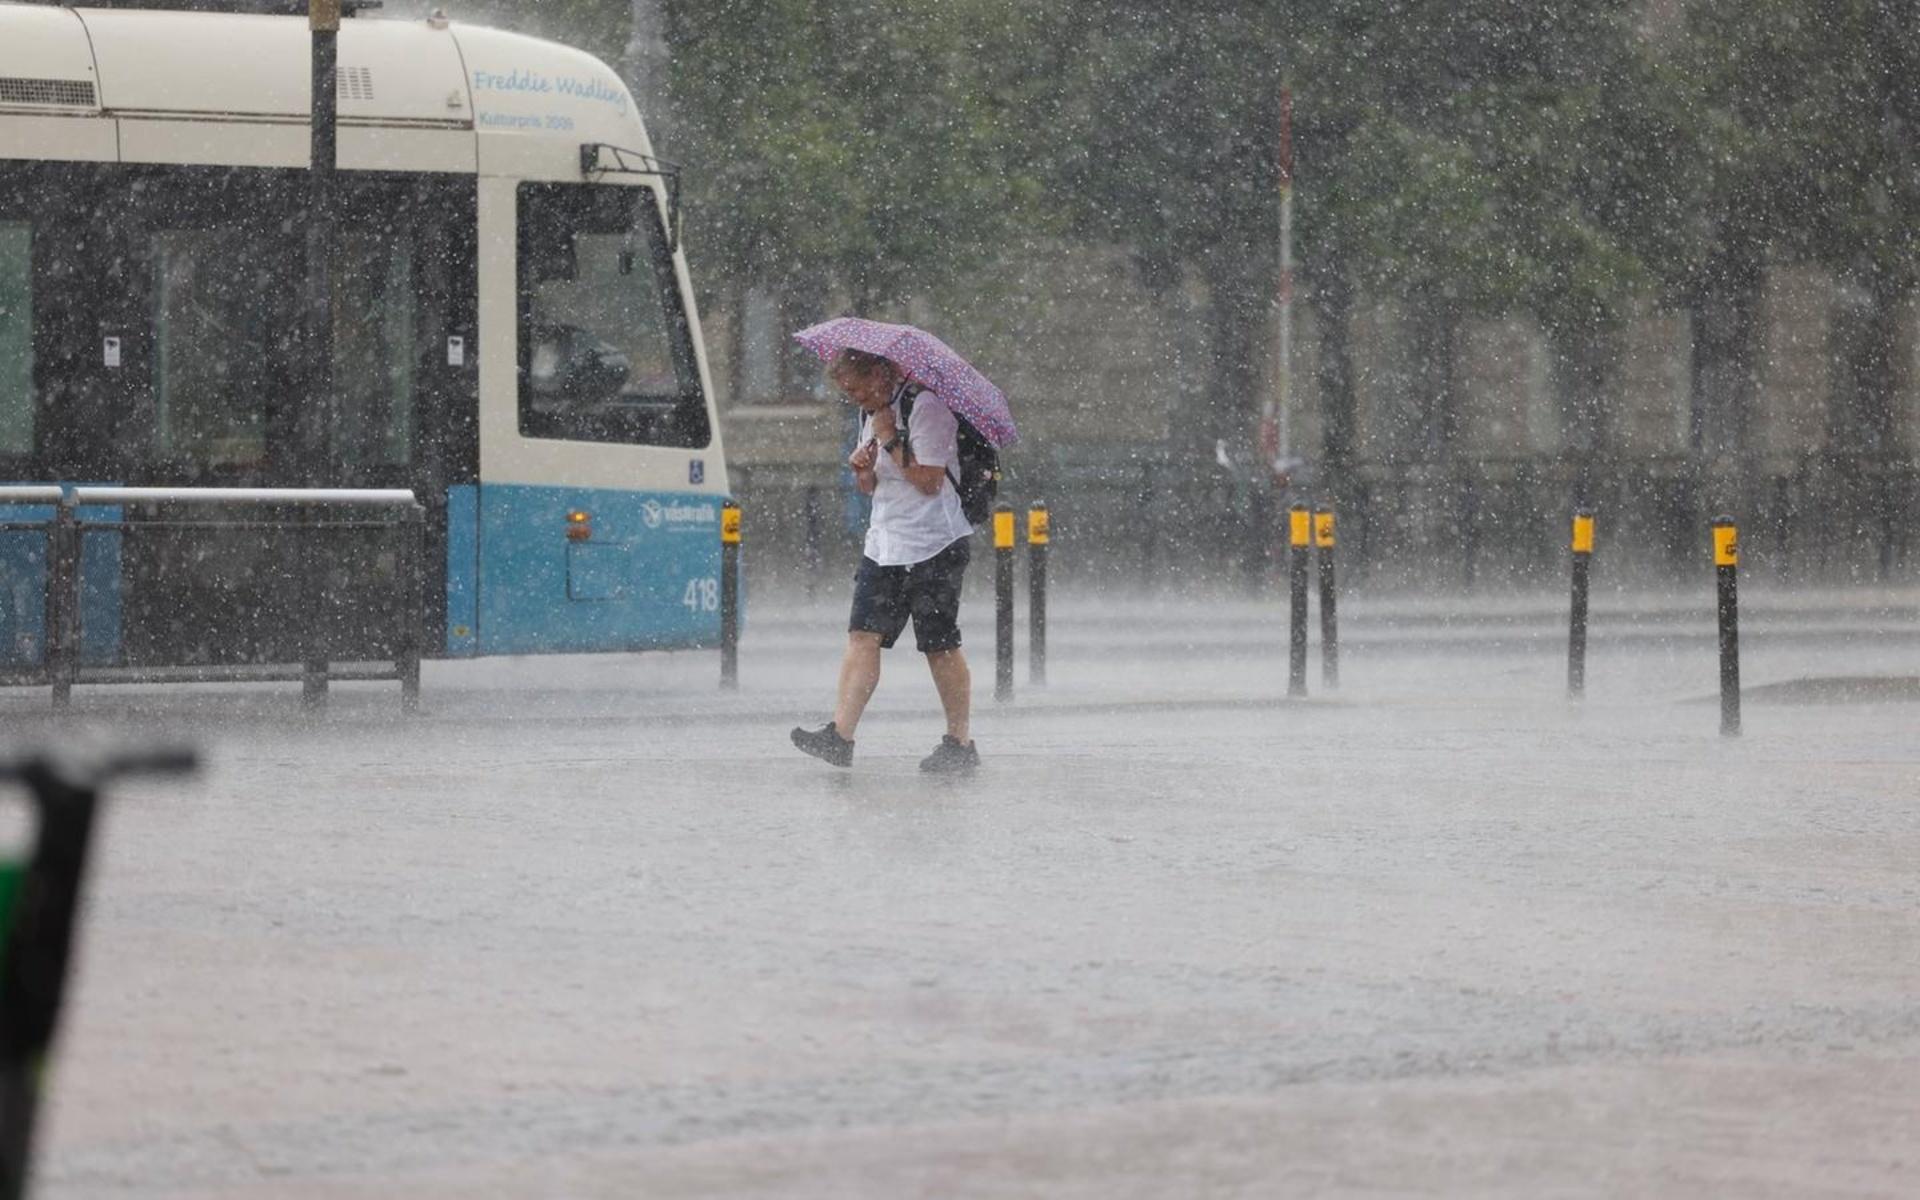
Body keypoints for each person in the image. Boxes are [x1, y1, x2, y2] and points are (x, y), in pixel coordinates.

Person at [791, 348, 980, 772]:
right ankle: (840, 736)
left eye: (856, 387)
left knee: (939, 645)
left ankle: (960, 743)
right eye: (845, 390)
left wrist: (892, 437)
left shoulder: (925, 407)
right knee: (863, 634)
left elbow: (930, 481)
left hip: (935, 544)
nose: (852, 396)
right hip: (885, 544)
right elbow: (871, 485)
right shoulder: (872, 412)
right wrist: (863, 468)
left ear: (879, 374)